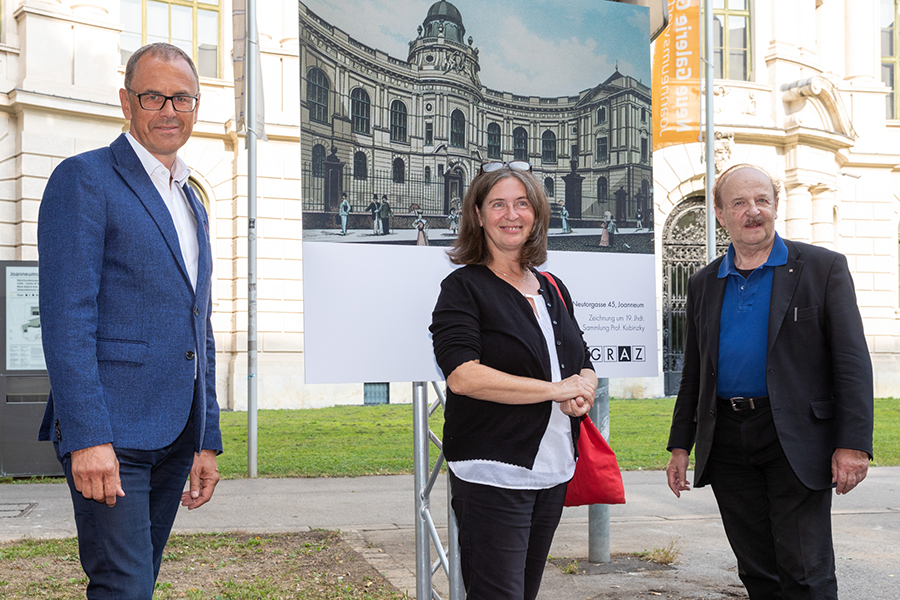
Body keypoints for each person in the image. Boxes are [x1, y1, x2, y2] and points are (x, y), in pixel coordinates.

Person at [37, 42, 222, 599]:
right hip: (112, 432)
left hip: (176, 431)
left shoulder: (191, 199)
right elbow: (68, 318)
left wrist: (206, 436)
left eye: (182, 98)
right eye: (153, 96)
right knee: (124, 586)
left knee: (139, 578)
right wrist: (88, 437)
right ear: (126, 101)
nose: (169, 109)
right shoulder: (84, 179)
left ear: (196, 104)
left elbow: (200, 324)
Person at [665, 164, 873, 600]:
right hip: (726, 440)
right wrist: (680, 445)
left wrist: (853, 443)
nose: (752, 211)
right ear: (720, 214)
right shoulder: (705, 282)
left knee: (805, 569)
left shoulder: (822, 268)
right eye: (739, 203)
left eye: (761, 200)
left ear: (776, 205)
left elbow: (851, 362)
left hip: (794, 437)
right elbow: (695, 371)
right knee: (756, 570)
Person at [430, 160, 597, 600]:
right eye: (498, 204)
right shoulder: (463, 288)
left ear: (537, 214)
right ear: (478, 215)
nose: (511, 214)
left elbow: (582, 363)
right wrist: (555, 390)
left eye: (522, 204)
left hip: (553, 469)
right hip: (493, 472)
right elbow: (464, 377)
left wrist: (583, 389)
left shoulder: (552, 286)